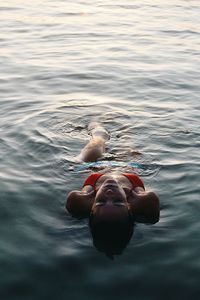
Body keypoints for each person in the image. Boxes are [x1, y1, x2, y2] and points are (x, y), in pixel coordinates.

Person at [66, 123, 160, 256]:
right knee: (126, 139)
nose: (109, 194)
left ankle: (98, 122)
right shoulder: (143, 202)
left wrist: (88, 193)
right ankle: (124, 125)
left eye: (101, 201)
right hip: (128, 168)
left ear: (91, 209)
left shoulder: (80, 201)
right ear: (129, 206)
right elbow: (152, 206)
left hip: (94, 168)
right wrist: (136, 194)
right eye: (118, 201)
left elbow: (72, 200)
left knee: (97, 139)